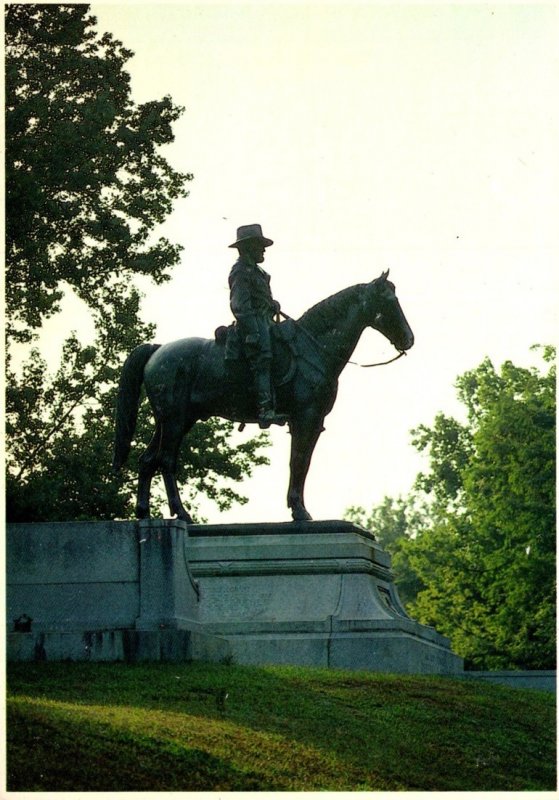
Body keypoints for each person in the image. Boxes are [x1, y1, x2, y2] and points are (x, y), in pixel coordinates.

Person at [228, 223, 286, 428]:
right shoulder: (241, 271)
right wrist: (253, 331)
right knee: (263, 357)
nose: (263, 250)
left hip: (265, 321)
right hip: (252, 325)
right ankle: (264, 409)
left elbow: (260, 298)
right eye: (259, 246)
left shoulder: (258, 272)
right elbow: (240, 305)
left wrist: (271, 305)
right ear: (248, 247)